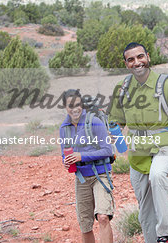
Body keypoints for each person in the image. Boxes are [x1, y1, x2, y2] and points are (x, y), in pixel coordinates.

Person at [108, 42, 168, 243]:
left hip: (165, 147)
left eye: (140, 57)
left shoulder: (167, 86)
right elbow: (115, 122)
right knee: (145, 210)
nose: (137, 62)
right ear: (126, 63)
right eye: (131, 59)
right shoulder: (122, 89)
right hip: (138, 155)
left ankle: (165, 233)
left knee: (157, 175)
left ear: (148, 57)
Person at [60, 89, 114, 243]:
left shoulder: (94, 122)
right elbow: (65, 153)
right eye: (70, 106)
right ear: (65, 107)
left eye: (78, 104)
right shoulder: (64, 128)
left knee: (103, 217)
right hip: (82, 177)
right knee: (85, 225)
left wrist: (81, 156)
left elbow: (107, 150)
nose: (75, 108)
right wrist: (66, 161)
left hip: (101, 174)